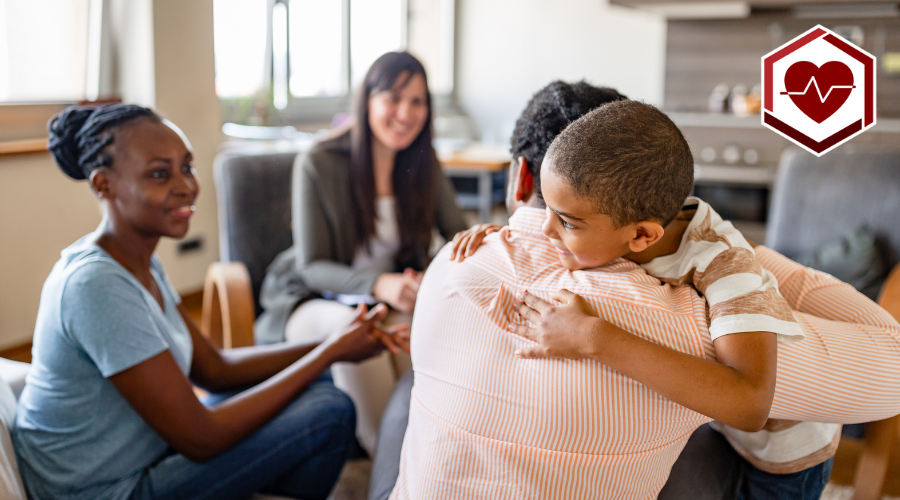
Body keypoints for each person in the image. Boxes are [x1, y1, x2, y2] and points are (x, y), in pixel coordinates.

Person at [385, 95, 900, 498]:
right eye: (541, 208)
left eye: (564, 221)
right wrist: (505, 227)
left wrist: (596, 338)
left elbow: (748, 404)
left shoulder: (731, 275)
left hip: (785, 458)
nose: (544, 232)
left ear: (642, 237)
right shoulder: (603, 226)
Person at [13, 103, 400, 500]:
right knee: (329, 410)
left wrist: (332, 347)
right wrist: (328, 352)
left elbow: (213, 368)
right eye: (160, 174)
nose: (187, 186)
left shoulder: (139, 262)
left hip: (145, 455)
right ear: (103, 185)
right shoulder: (95, 285)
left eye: (187, 166)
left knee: (319, 379)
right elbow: (201, 439)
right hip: (106, 489)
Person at [256, 51, 468, 455]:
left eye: (418, 101)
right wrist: (380, 283)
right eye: (393, 97)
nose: (405, 112)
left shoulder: (423, 162)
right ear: (367, 100)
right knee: (361, 334)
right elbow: (313, 266)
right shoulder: (318, 162)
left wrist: (430, 276)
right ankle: (382, 463)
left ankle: (426, 457)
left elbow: (459, 236)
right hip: (311, 299)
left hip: (383, 297)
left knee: (425, 326)